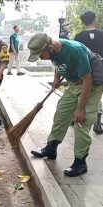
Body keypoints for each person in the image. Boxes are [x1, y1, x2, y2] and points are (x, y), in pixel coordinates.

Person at [28, 32, 103, 177]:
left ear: (50, 47)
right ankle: (51, 148)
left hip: (91, 86)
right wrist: (56, 78)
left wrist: (80, 108)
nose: (41, 58)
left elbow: (88, 80)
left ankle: (80, 162)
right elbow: (59, 63)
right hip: (74, 84)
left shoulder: (75, 51)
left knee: (81, 121)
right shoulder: (54, 51)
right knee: (61, 113)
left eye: (40, 54)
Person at [75, 10, 103, 134]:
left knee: (82, 94)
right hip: (101, 70)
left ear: (82, 22)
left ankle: (77, 117)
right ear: (94, 19)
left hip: (85, 71)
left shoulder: (78, 37)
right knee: (99, 96)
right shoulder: (102, 34)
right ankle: (98, 122)